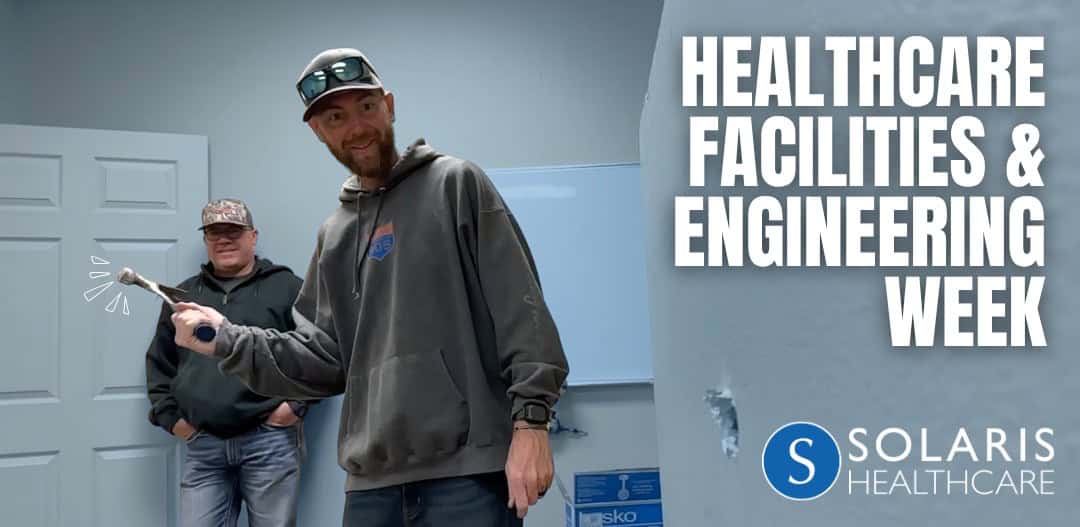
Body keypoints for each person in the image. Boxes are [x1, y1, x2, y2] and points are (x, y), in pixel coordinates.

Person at [171, 48, 569, 526]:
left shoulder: (456, 185)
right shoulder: (336, 234)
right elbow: (321, 359)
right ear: (319, 132)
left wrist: (531, 424)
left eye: (366, 107)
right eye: (335, 117)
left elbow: (521, 311)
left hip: (468, 475)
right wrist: (226, 338)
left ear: (390, 105)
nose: (356, 127)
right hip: (371, 484)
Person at [145, 198, 309, 527]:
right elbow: (159, 362)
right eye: (214, 232)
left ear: (253, 236)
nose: (224, 239)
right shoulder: (182, 297)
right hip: (203, 446)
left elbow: (320, 353)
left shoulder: (289, 289)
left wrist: (295, 406)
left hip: (269, 442)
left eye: (233, 231)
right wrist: (172, 420)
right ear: (206, 240)